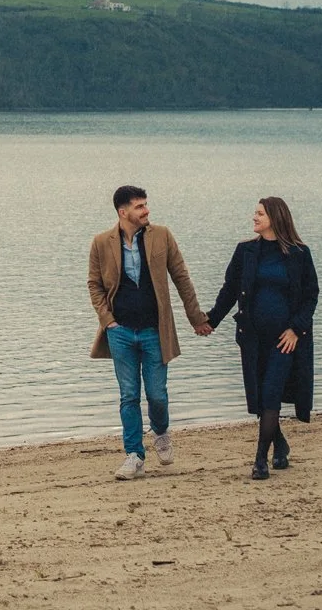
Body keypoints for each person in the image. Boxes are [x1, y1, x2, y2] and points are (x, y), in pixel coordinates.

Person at [87, 186, 212, 480]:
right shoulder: (101, 243)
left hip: (155, 330)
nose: (146, 211)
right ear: (123, 212)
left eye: (146, 205)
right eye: (140, 206)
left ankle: (161, 431)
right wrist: (108, 320)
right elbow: (94, 285)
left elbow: (181, 277)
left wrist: (196, 318)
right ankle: (134, 456)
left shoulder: (162, 236)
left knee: (156, 395)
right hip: (120, 332)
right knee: (128, 395)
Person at [205, 196, 320, 480]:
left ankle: (260, 460)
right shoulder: (245, 251)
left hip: (286, 340)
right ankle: (280, 445)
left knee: (270, 394)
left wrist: (296, 329)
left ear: (275, 217)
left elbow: (311, 295)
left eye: (259, 214)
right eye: (254, 213)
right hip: (253, 339)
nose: (254, 218)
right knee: (261, 397)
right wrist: (210, 321)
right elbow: (230, 290)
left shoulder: (299, 253)